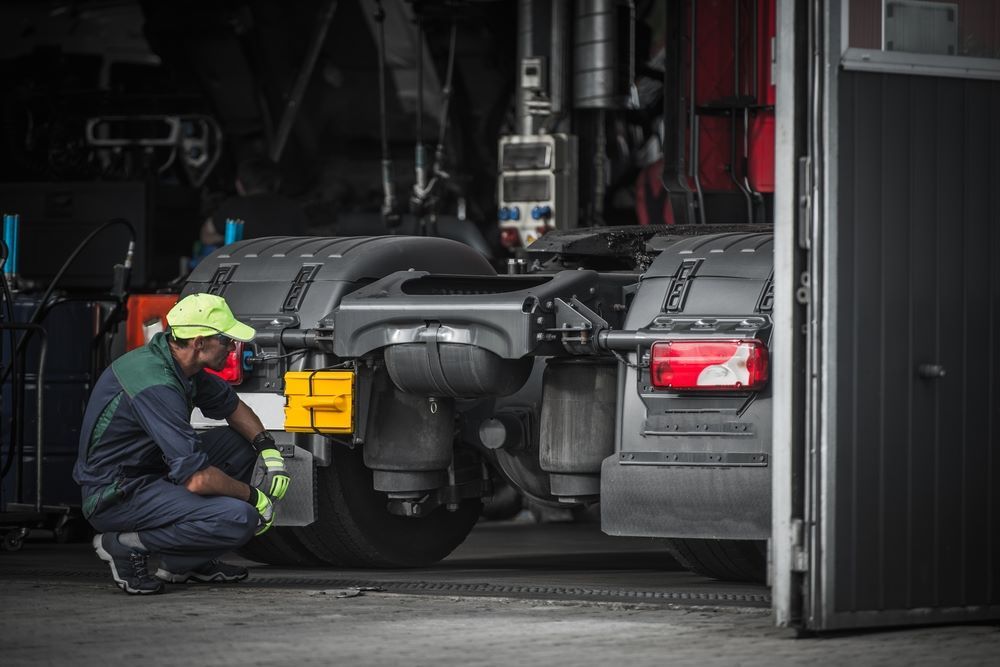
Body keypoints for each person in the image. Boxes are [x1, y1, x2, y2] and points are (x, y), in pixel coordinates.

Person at [73, 293, 291, 595]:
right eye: (225, 340)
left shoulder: (180, 365)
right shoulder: (155, 384)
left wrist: (268, 450)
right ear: (199, 342)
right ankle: (123, 545)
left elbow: (232, 407)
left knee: (239, 444)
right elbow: (197, 479)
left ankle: (185, 563)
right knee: (239, 518)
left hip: (151, 471)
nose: (231, 347)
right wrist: (254, 497)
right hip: (117, 493)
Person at [200, 155, 309, 245]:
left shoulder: (233, 206)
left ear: (239, 185)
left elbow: (206, 236)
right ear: (277, 183)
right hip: (286, 268)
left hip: (246, 269)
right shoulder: (293, 207)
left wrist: (229, 237)